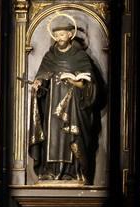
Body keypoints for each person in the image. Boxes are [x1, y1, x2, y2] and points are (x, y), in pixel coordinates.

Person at [28, 13, 107, 183]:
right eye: (56, 35)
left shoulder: (80, 56)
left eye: (62, 34)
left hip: (74, 108)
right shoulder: (50, 56)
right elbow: (42, 76)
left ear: (71, 34)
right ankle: (51, 171)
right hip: (52, 106)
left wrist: (75, 82)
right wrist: (38, 83)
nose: (59, 38)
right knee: (53, 136)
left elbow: (92, 85)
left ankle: (74, 172)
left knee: (71, 137)